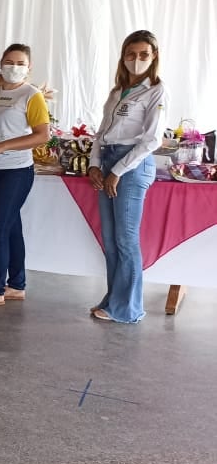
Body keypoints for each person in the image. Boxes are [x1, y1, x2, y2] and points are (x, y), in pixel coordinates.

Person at [87, 30, 166, 323]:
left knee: (126, 239)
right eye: (131, 54)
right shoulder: (117, 91)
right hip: (108, 160)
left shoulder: (156, 90)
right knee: (110, 240)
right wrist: (95, 165)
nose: (136, 60)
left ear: (154, 57)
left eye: (144, 54)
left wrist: (118, 171)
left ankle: (127, 308)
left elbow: (152, 139)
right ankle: (113, 299)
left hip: (132, 166)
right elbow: (101, 133)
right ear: (123, 57)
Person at [0, 44, 51, 308]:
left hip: (15, 171)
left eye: (20, 63)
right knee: (11, 227)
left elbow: (42, 135)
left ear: (29, 67)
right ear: (1, 63)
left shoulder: (31, 95)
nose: (14, 67)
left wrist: (2, 146)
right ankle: (16, 285)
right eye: (9, 62)